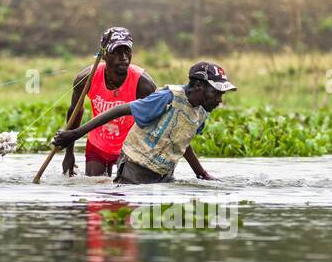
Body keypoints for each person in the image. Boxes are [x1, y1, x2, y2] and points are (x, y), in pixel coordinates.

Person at [52, 61, 232, 184]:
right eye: (216, 93)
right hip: (135, 166)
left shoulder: (201, 111)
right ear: (199, 87)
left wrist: (202, 174)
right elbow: (120, 109)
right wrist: (75, 134)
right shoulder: (168, 97)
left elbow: (182, 143)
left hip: (164, 171)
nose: (219, 100)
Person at [62, 27, 159, 177]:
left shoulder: (143, 84)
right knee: (95, 190)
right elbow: (75, 112)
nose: (124, 58)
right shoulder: (86, 79)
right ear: (104, 55)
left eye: (127, 52)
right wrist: (69, 154)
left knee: (124, 193)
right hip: (98, 144)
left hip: (130, 147)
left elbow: (159, 122)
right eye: (117, 52)